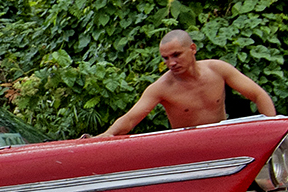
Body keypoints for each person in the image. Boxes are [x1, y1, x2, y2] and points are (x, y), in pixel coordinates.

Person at [96, 29, 276, 137]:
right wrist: (104, 136)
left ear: (192, 49)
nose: (171, 63)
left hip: (222, 138)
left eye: (176, 55)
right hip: (189, 145)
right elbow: (130, 119)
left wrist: (273, 130)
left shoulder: (218, 69)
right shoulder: (161, 87)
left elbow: (258, 95)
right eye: (165, 58)